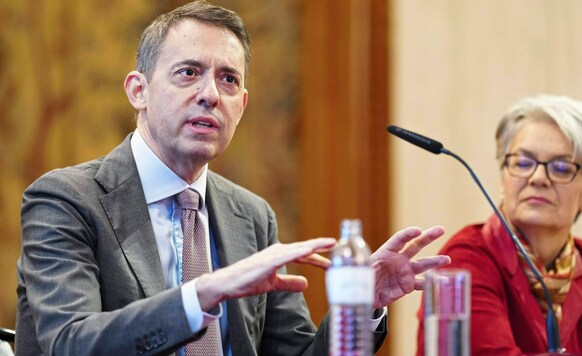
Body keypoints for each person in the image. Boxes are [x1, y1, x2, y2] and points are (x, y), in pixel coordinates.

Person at [15, 1, 451, 355]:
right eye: (188, 72)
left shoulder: (252, 215)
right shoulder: (66, 199)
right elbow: (70, 344)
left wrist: (358, 307)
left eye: (228, 80)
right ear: (138, 90)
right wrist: (203, 293)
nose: (209, 94)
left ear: (241, 105)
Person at [416, 94, 582, 355]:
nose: (538, 178)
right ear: (502, 178)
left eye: (561, 168)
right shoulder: (464, 260)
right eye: (523, 163)